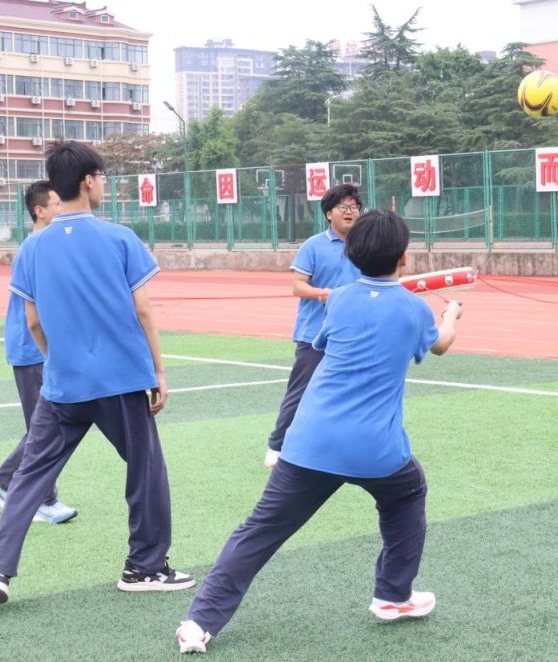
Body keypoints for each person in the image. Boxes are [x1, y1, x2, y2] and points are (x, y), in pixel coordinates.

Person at [175, 209, 463, 655]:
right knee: (407, 494)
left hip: (308, 441)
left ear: (352, 254)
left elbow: (327, 341)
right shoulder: (414, 309)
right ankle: (393, 595)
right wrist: (452, 314)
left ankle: (199, 622)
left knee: (260, 530)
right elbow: (440, 344)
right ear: (404, 257)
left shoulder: (341, 299)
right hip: (376, 450)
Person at [0, 141, 194, 607]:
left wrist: (56, 358)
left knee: (29, 477)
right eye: (102, 177)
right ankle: (145, 568)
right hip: (121, 380)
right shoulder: (119, 237)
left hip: (61, 384)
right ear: (88, 181)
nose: (103, 185)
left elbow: (34, 322)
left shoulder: (33, 246)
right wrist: (159, 371)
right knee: (145, 471)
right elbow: (144, 310)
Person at [0, 181, 77, 525]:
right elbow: (38, 311)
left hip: (35, 348)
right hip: (32, 350)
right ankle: (11, 486)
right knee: (44, 427)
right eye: (56, 204)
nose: (62, 209)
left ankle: (34, 494)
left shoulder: (40, 245)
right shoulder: (36, 247)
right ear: (40, 210)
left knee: (46, 425)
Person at [263, 183, 362, 468]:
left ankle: (341, 445)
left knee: (351, 391)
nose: (350, 212)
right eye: (343, 207)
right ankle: (277, 445)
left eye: (354, 207)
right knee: (302, 391)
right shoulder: (313, 245)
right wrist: (322, 293)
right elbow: (297, 286)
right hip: (314, 334)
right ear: (329, 213)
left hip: (352, 334)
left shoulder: (364, 246)